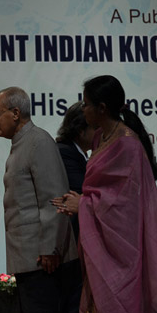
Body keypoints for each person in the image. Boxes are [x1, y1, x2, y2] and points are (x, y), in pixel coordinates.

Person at [55, 75, 157, 313]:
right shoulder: (102, 137)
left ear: (102, 108)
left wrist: (83, 205)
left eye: (87, 104)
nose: (83, 109)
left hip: (122, 250)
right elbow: (106, 192)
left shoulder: (127, 144)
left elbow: (125, 206)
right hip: (102, 245)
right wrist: (84, 202)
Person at [0, 86, 79, 313]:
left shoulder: (38, 141)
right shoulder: (22, 144)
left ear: (15, 113)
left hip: (45, 261)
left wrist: (50, 249)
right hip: (32, 260)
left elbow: (54, 199)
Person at [55, 101, 94, 241]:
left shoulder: (78, 153)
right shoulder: (64, 152)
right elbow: (83, 190)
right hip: (70, 237)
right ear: (80, 130)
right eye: (95, 128)